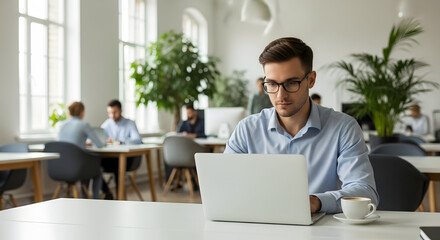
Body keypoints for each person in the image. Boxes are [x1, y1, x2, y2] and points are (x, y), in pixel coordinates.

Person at [224, 37, 379, 214]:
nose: (280, 95)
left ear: (311, 80)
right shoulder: (247, 130)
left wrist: (316, 202)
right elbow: (224, 186)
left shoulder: (343, 128)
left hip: (321, 231)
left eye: (291, 83)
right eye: (272, 84)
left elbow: (365, 193)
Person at [58, 101, 105, 199]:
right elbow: (100, 144)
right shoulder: (84, 125)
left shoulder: (61, 125)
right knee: (97, 169)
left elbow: (67, 144)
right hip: (77, 168)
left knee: (86, 166)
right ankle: (96, 199)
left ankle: (85, 197)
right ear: (82, 112)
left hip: (60, 167)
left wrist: (83, 142)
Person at [100, 99, 143, 199]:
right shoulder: (107, 123)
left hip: (128, 159)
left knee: (118, 166)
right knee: (93, 165)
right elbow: (99, 136)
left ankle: (120, 199)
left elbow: (137, 140)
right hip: (110, 158)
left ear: (121, 111)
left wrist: (120, 141)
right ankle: (107, 192)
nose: (112, 115)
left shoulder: (130, 123)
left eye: (114, 112)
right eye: (110, 113)